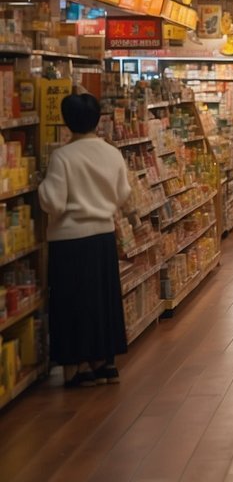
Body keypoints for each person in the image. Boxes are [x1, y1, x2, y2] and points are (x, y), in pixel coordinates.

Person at [39, 91, 131, 387]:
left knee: (72, 301)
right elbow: (122, 195)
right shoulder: (111, 152)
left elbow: (53, 202)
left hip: (69, 239)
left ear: (67, 122)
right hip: (102, 236)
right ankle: (105, 362)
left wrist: (39, 189)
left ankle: (78, 366)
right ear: (97, 119)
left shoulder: (62, 156)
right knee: (102, 300)